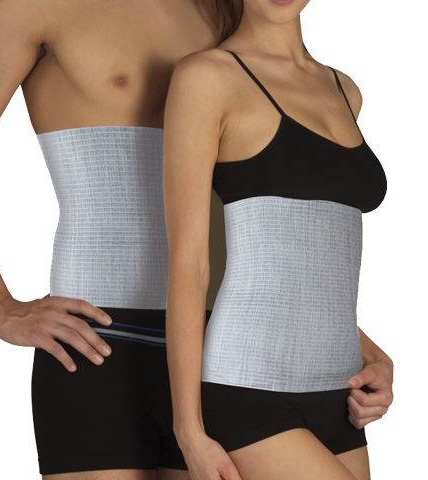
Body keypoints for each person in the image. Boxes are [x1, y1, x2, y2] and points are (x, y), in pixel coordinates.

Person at [0, 0, 391, 479]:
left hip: (229, 357)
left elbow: (272, 205)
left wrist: (355, 345)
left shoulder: (231, 9)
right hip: (100, 344)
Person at [163, 0, 393, 479]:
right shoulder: (206, 76)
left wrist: (376, 357)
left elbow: (303, 260)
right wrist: (189, 431)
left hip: (340, 395)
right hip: (248, 387)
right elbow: (190, 263)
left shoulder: (345, 90)